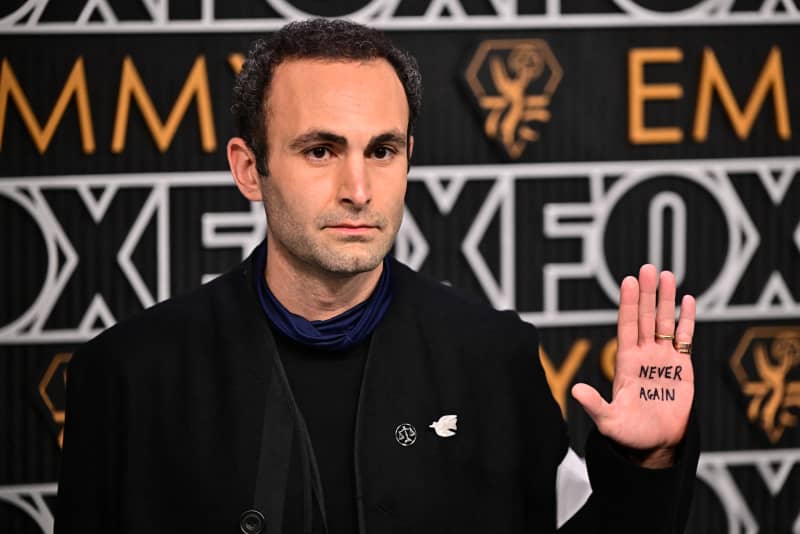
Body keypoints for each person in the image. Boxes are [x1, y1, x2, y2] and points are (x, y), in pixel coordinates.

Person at [56, 18, 699, 534]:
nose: (358, 189)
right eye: (320, 151)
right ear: (249, 169)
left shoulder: (493, 358)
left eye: (382, 151)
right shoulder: (125, 376)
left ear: (409, 159)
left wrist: (650, 464)